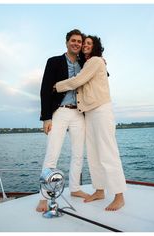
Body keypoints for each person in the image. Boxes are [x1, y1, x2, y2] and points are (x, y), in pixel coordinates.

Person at [54, 35, 126, 211]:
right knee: (93, 154)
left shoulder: (95, 61)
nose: (85, 45)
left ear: (95, 47)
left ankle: (119, 196)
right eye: (84, 43)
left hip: (101, 110)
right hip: (89, 113)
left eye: (88, 43)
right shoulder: (88, 63)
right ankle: (99, 190)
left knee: (108, 153)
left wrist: (57, 86)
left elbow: (77, 81)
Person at [36, 29, 89, 212]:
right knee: (52, 154)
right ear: (67, 42)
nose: (76, 44)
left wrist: (103, 61)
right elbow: (45, 90)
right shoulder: (54, 62)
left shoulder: (85, 63)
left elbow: (101, 75)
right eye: (73, 41)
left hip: (78, 113)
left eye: (79, 42)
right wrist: (46, 118)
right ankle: (43, 196)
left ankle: (75, 189)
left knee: (77, 154)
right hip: (59, 112)